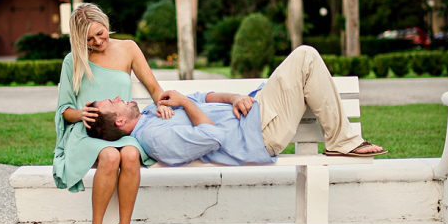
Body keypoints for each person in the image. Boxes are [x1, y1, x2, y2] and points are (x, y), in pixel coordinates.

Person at [85, 45, 386, 165]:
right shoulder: (154, 138)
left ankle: (341, 141)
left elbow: (204, 97)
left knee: (305, 62)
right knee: (305, 57)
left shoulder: (152, 113)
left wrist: (233, 98)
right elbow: (210, 137)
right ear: (120, 122)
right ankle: (343, 142)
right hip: (259, 134)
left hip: (254, 111)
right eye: (112, 103)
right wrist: (184, 105)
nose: (118, 98)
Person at [53, 3, 173, 224]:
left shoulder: (128, 48)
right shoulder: (73, 60)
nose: (98, 41)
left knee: (130, 155)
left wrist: (161, 103)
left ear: (106, 24)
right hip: (87, 132)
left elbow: (152, 86)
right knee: (109, 157)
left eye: (101, 33)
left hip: (121, 129)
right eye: (89, 39)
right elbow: (64, 110)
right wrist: (79, 114)